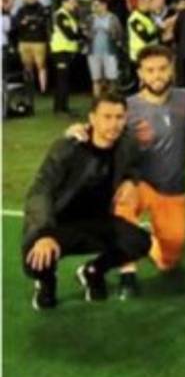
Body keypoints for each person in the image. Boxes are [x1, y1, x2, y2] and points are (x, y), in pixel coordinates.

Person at [23, 91, 150, 309]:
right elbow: (40, 191)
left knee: (140, 241)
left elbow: (135, 164)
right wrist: (43, 234)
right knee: (35, 258)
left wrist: (131, 180)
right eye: (106, 117)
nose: (113, 124)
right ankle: (46, 281)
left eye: (119, 117)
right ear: (92, 118)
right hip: (57, 224)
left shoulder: (127, 143)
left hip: (97, 222)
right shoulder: (68, 147)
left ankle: (93, 271)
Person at [111, 45, 185, 295]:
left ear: (171, 70)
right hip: (138, 183)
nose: (156, 75)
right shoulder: (127, 107)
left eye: (162, 69)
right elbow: (103, 131)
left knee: (169, 260)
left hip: (171, 187)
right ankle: (127, 275)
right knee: (123, 208)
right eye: (150, 70)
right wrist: (80, 130)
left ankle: (150, 243)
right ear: (140, 74)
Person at [50, 0, 82, 114]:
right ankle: (60, 108)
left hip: (67, 50)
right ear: (64, 2)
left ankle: (62, 106)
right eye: (71, 2)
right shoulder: (61, 15)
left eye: (74, 2)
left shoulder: (69, 15)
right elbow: (69, 34)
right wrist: (82, 37)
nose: (74, 4)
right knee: (62, 80)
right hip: (60, 50)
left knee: (64, 79)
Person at [14, 0, 50, 95]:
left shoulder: (41, 8)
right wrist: (24, 23)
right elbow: (17, 24)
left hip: (39, 41)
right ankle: (29, 88)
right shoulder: (21, 10)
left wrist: (29, 22)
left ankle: (43, 89)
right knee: (27, 66)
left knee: (41, 65)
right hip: (24, 41)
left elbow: (43, 22)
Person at [85, 0, 123, 97]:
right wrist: (90, 33)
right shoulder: (90, 18)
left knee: (112, 79)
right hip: (93, 53)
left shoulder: (113, 18)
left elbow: (120, 34)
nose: (94, 8)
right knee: (96, 79)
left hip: (109, 52)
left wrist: (110, 34)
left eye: (96, 5)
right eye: (93, 5)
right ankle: (97, 101)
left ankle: (111, 100)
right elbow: (84, 33)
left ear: (104, 6)